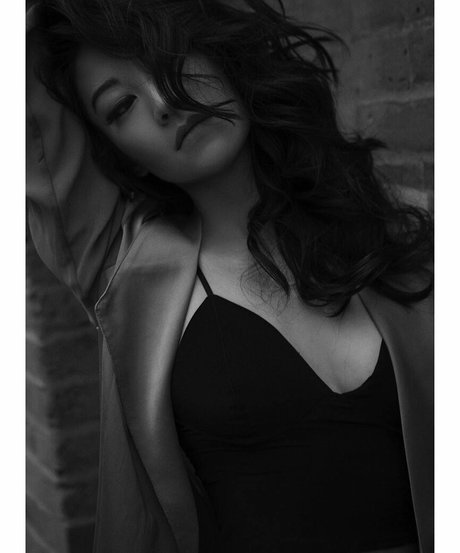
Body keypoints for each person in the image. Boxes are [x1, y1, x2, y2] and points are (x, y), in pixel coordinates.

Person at [26, 1, 434, 552]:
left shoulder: (392, 234)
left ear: (221, 54)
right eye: (122, 105)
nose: (165, 101)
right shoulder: (126, 274)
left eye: (171, 57)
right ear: (124, 155)